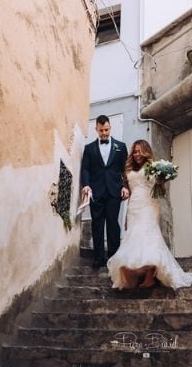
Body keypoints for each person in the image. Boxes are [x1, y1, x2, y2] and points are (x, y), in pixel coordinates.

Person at [107, 139, 192, 289]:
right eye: (134, 151)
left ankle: (150, 276)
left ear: (146, 151)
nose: (136, 154)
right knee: (134, 238)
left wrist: (161, 182)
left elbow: (160, 191)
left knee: (148, 237)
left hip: (149, 205)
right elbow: (129, 190)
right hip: (134, 206)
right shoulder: (128, 168)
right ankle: (141, 273)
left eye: (139, 151)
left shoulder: (153, 167)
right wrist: (127, 214)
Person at [80, 115, 130, 270]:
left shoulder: (121, 147)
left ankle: (114, 256)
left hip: (114, 191)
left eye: (106, 130)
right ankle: (98, 257)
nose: (104, 133)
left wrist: (125, 186)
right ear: (96, 129)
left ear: (110, 128)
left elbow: (125, 169)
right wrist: (86, 185)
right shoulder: (89, 149)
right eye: (101, 130)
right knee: (97, 224)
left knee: (113, 224)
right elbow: (86, 169)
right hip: (96, 191)